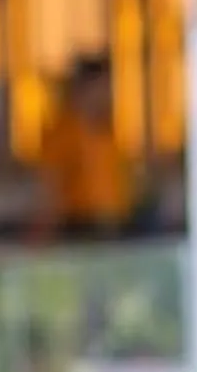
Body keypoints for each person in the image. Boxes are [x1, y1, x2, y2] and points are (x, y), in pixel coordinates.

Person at [31, 55, 141, 241]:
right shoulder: (62, 132)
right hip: (80, 228)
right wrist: (43, 232)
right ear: (84, 88)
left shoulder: (110, 132)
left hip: (116, 226)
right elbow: (49, 189)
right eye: (101, 87)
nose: (107, 94)